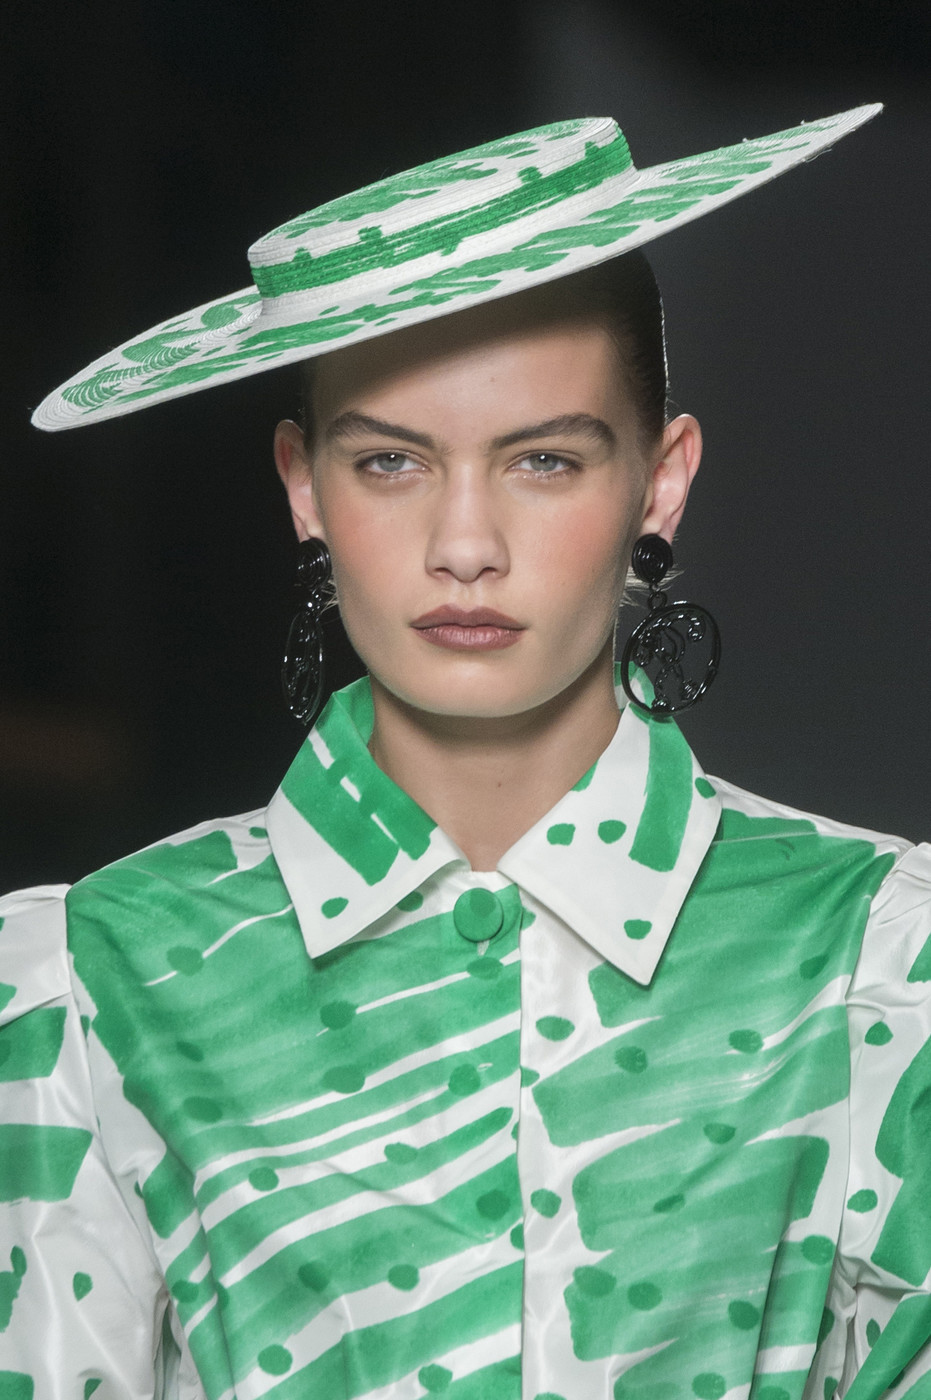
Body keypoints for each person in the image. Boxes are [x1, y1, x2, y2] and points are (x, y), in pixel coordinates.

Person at [2, 109, 929, 1400]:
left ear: (661, 481)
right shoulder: (93, 982)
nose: (465, 547)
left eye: (544, 460)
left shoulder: (877, 961)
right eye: (391, 462)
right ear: (305, 486)